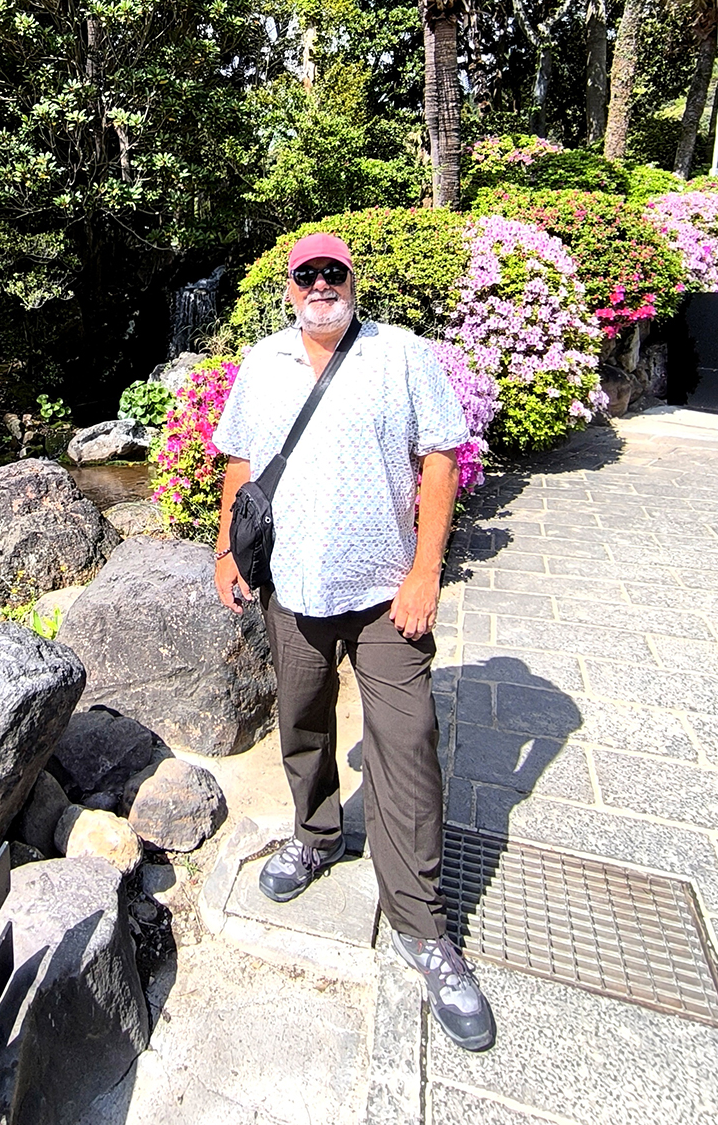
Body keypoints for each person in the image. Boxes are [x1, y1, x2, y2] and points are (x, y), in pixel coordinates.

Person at [212, 232, 496, 1052]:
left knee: (408, 744)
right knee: (300, 722)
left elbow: (440, 459)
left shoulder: (400, 355)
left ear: (353, 281)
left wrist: (425, 571)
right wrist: (226, 550)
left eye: (333, 272)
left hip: (384, 594)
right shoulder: (263, 362)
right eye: (306, 275)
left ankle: (422, 926)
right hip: (293, 589)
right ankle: (316, 835)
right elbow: (240, 462)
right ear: (289, 289)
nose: (320, 285)